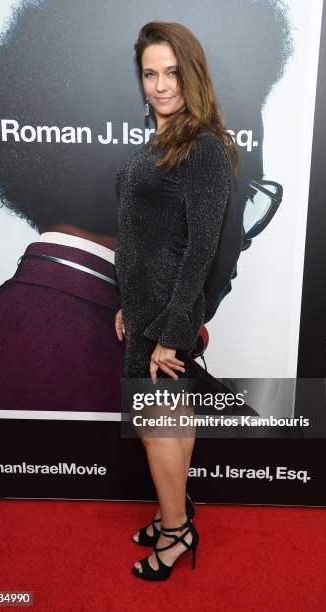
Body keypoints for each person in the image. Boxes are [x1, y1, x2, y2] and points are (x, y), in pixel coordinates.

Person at [114, 21, 239, 581]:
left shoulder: (203, 147)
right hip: (146, 310)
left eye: (171, 72)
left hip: (168, 314)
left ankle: (173, 532)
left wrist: (171, 328)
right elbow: (149, 234)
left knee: (157, 424)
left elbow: (201, 248)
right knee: (169, 419)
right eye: (150, 73)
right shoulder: (164, 140)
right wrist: (129, 304)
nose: (161, 85)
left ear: (191, 76)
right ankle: (175, 512)